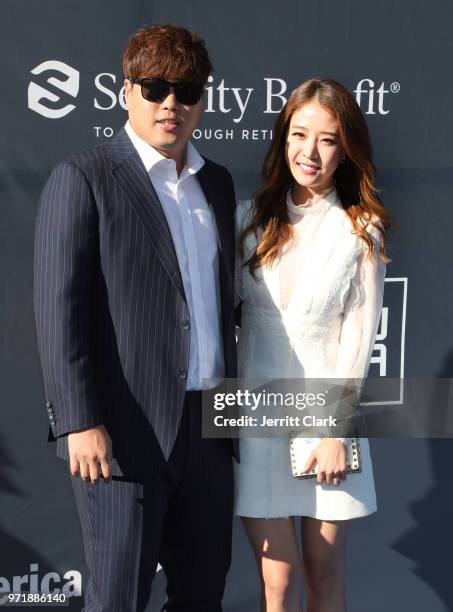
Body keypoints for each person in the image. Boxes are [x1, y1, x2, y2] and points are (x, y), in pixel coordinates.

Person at [34, 24, 238, 612]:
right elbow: (57, 309)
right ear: (127, 91)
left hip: (210, 429)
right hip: (124, 431)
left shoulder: (216, 185)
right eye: (154, 87)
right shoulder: (85, 178)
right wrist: (77, 420)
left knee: (203, 596)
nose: (171, 103)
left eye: (187, 89)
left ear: (202, 98)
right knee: (119, 597)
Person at [234, 78, 392, 611]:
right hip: (255, 420)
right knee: (276, 584)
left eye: (327, 140)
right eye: (299, 134)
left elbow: (358, 341)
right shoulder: (247, 221)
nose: (311, 152)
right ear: (282, 138)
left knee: (323, 580)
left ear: (345, 148)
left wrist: (333, 431)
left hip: (327, 424)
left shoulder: (359, 230)